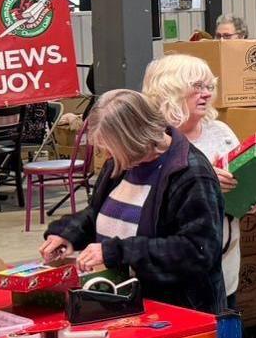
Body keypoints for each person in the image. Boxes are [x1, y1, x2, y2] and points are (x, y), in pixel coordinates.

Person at [40, 89, 225, 313]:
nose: (109, 155)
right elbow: (100, 213)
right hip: (124, 300)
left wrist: (117, 252)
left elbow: (197, 251)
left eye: (114, 148)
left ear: (135, 139)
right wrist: (68, 234)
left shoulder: (190, 173)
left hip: (177, 309)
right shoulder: (121, 163)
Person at [143, 55, 247, 306]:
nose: (207, 94)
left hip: (224, 263)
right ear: (170, 89)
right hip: (172, 273)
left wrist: (251, 196)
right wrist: (202, 183)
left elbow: (242, 190)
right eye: (197, 86)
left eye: (209, 86)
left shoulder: (221, 133)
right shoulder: (152, 142)